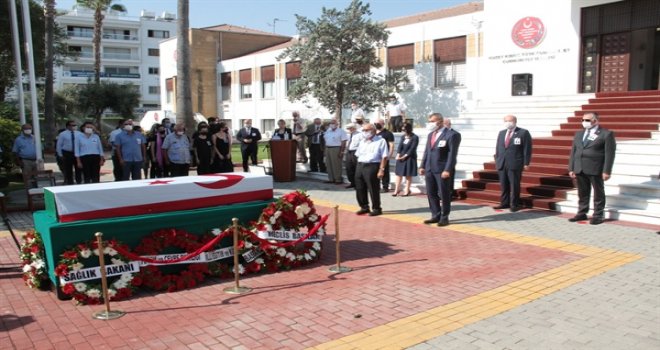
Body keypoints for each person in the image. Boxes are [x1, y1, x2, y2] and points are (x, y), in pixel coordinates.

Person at [568, 112, 616, 225]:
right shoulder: (579, 134)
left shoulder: (606, 134)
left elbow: (610, 154)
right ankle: (582, 212)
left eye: (587, 120)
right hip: (580, 167)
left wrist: (607, 170)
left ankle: (598, 215)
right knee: (582, 192)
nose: (584, 122)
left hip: (596, 167)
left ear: (595, 121)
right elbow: (573, 152)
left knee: (598, 193)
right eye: (583, 120)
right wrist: (571, 167)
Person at [419, 113, 460, 227]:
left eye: (432, 121)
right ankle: (435, 215)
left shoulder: (452, 135)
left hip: (442, 170)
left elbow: (452, 155)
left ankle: (444, 217)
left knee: (444, 193)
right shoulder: (430, 135)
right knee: (431, 193)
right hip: (429, 168)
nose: (430, 123)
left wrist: (447, 170)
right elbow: (427, 151)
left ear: (440, 121)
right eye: (429, 121)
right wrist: (422, 166)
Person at [494, 115, 533, 212]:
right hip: (502, 163)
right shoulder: (502, 133)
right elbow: (498, 148)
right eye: (506, 121)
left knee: (514, 185)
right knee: (504, 184)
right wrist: (497, 159)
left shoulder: (523, 132)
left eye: (510, 121)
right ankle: (504, 202)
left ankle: (514, 204)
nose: (508, 122)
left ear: (515, 121)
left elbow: (527, 149)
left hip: (515, 163)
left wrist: (526, 163)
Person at [354, 123, 389, 216]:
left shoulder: (381, 141)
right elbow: (358, 154)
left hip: (372, 165)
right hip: (361, 164)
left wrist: (381, 169)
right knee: (360, 187)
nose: (365, 132)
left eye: (367, 130)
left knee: (373, 188)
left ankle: (377, 208)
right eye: (363, 130)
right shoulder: (363, 141)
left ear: (373, 130)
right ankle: (364, 206)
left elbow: (384, 156)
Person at [393, 122, 418, 197]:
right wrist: (398, 154)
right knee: (398, 174)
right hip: (401, 156)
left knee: (408, 175)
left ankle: (407, 190)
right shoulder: (403, 137)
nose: (404, 131)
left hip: (409, 157)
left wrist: (405, 156)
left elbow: (412, 148)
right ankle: (396, 190)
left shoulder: (414, 137)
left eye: (405, 129)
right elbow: (400, 146)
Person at [56, 120, 83, 185]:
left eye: (75, 125)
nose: (74, 126)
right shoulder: (63, 134)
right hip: (67, 153)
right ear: (68, 126)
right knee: (68, 169)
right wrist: (60, 154)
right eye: (72, 125)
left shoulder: (79, 134)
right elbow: (59, 145)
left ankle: (79, 182)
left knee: (78, 169)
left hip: (77, 153)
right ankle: (70, 183)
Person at [322, 118, 348, 184]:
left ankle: (338, 179)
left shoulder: (341, 131)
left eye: (333, 123)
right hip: (328, 148)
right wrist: (325, 150)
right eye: (331, 123)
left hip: (336, 148)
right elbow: (326, 140)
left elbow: (343, 142)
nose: (332, 124)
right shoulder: (328, 131)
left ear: (337, 124)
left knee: (336, 164)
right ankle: (331, 179)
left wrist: (341, 152)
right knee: (328, 164)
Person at [373, 118, 394, 193]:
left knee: (385, 171)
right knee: (375, 171)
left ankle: (385, 186)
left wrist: (389, 155)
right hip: (376, 156)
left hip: (384, 156)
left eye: (378, 123)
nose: (376, 125)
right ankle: (376, 186)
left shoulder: (388, 133)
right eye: (375, 123)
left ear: (383, 124)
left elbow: (391, 145)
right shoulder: (374, 133)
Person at [443, 118, 461, 199]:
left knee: (449, 179)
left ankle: (449, 195)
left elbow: (453, 150)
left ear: (448, 124)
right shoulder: (442, 134)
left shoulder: (455, 134)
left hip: (449, 159)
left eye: (443, 123)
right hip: (441, 160)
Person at [344, 123, 362, 189]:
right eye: (348, 128)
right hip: (349, 151)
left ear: (354, 128)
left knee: (356, 168)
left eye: (350, 128)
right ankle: (352, 182)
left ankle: (358, 184)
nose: (349, 129)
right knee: (349, 167)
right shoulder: (348, 135)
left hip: (356, 152)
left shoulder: (360, 134)